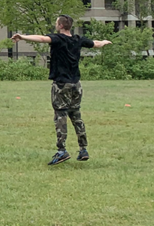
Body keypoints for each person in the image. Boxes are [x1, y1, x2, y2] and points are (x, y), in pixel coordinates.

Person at [11, 15, 111, 165]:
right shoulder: (78, 39)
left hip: (61, 85)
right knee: (76, 115)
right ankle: (83, 149)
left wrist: (23, 37)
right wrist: (104, 42)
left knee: (60, 116)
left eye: (56, 22)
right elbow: (96, 44)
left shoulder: (58, 39)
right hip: (76, 85)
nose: (55, 24)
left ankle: (62, 151)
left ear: (61, 26)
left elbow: (42, 39)